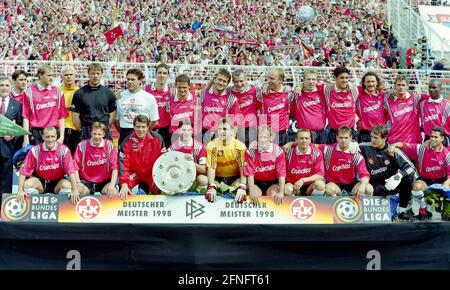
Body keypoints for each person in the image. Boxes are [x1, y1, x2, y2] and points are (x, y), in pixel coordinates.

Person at [389, 126, 449, 220]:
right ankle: (423, 209)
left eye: (436, 137)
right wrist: (393, 146)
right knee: (416, 187)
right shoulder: (421, 148)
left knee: (448, 188)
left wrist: (445, 188)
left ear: (442, 138)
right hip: (425, 181)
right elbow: (403, 145)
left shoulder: (447, 154)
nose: (432, 139)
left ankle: (445, 210)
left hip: (440, 182)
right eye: (431, 136)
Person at [359, 125, 416, 220]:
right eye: (371, 137)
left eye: (376, 138)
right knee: (376, 190)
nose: (372, 140)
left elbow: (411, 167)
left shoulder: (393, 151)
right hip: (376, 184)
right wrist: (352, 144)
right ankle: (379, 213)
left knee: (408, 178)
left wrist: (398, 176)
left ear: (384, 138)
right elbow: (350, 144)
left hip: (392, 182)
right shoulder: (365, 147)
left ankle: (402, 211)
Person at [16, 126, 79, 205]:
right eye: (47, 137)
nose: (50, 139)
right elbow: (23, 171)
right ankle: (34, 208)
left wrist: (75, 190)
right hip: (41, 182)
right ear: (43, 137)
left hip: (57, 182)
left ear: (56, 136)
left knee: (67, 186)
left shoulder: (64, 150)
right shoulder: (35, 150)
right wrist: (20, 191)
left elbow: (71, 171)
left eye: (52, 136)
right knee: (27, 185)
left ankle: (62, 209)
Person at [119, 115, 165, 199]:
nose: (140, 130)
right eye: (138, 127)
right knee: (124, 190)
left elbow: (163, 160)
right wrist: (124, 184)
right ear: (134, 127)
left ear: (148, 127)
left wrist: (161, 177)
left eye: (143, 127)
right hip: (135, 174)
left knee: (163, 188)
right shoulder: (127, 141)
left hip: (152, 174)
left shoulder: (158, 139)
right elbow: (123, 164)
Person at [22, 64, 67, 146]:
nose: (51, 78)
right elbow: (26, 117)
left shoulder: (58, 92)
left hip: (53, 132)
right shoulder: (29, 92)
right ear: (40, 75)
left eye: (52, 75)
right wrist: (25, 139)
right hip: (36, 133)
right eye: (48, 75)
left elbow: (61, 116)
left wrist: (62, 137)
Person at [205, 118, 247, 203]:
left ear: (232, 131)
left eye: (225, 129)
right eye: (219, 129)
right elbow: (212, 168)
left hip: (234, 177)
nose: (222, 131)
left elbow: (243, 169)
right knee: (212, 187)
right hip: (218, 178)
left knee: (237, 186)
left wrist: (242, 186)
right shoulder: (211, 145)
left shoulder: (240, 146)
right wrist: (212, 185)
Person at [321, 126, 371, 196]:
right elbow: (310, 145)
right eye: (341, 137)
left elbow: (364, 174)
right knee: (329, 189)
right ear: (336, 137)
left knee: (368, 188)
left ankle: (357, 205)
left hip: (351, 185)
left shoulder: (356, 154)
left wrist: (362, 186)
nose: (343, 140)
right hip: (334, 184)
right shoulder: (328, 149)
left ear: (351, 138)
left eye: (346, 138)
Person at [72, 63, 116, 140]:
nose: (95, 76)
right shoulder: (79, 93)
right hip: (86, 129)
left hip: (103, 129)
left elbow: (112, 114)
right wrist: (82, 130)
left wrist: (104, 128)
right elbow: (75, 116)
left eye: (98, 73)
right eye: (93, 73)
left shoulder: (109, 93)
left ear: (101, 74)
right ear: (88, 74)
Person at [115, 68, 159, 147]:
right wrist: (124, 131)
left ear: (140, 81)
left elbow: (155, 121)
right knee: (123, 159)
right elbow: (116, 120)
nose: (130, 82)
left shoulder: (149, 97)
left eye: (133, 79)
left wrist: (143, 131)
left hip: (143, 134)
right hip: (125, 133)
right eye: (128, 79)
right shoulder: (120, 96)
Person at [244, 125, 286, 205]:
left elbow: (282, 174)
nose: (263, 140)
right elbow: (250, 174)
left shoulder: (278, 151)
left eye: (265, 137)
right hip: (257, 182)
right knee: (255, 196)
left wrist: (281, 192)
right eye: (260, 137)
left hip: (272, 182)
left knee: (275, 196)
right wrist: (252, 191)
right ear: (257, 138)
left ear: (271, 138)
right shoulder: (250, 151)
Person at [74, 122, 118, 196]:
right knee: (79, 191)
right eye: (94, 133)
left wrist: (112, 185)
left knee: (113, 193)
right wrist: (78, 183)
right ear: (91, 133)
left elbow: (115, 168)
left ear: (103, 135)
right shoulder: (82, 145)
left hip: (104, 181)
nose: (96, 136)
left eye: (99, 134)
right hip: (86, 180)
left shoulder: (109, 145)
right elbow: (75, 167)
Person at [200, 69, 239, 143]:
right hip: (203, 133)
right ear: (214, 80)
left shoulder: (232, 99)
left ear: (227, 84)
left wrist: (232, 141)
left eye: (224, 81)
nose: (221, 83)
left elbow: (235, 122)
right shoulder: (203, 94)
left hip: (221, 134)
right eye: (219, 79)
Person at [284, 128, 326, 197]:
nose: (304, 141)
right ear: (296, 139)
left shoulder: (317, 153)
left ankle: (315, 203)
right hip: (293, 185)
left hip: (310, 186)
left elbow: (320, 176)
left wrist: (303, 180)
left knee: (320, 185)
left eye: (306, 138)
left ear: (310, 140)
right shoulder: (288, 152)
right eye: (301, 138)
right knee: (287, 189)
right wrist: (289, 144)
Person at [168, 120, 208, 191]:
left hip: (195, 177)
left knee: (203, 179)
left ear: (192, 131)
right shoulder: (173, 147)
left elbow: (204, 170)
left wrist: (192, 163)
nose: (186, 133)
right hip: (179, 176)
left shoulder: (199, 147)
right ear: (179, 131)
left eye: (189, 130)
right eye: (184, 130)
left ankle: (200, 197)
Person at [323, 66, 359, 144]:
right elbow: (309, 85)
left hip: (350, 132)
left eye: (347, 78)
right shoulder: (327, 90)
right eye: (342, 78)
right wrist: (300, 85)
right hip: (334, 133)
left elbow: (375, 87)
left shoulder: (354, 90)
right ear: (335, 78)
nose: (345, 80)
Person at [291, 69, 327, 144]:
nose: (311, 81)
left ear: (317, 81)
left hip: (321, 133)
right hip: (304, 135)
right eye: (308, 79)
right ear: (303, 80)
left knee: (321, 155)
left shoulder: (322, 92)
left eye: (313, 79)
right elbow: (292, 111)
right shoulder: (297, 94)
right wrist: (298, 86)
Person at [258, 68, 292, 145]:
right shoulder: (261, 94)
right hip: (267, 135)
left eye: (272, 78)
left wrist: (299, 86)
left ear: (280, 80)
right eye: (268, 78)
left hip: (283, 134)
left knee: (282, 156)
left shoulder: (289, 94)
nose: (268, 81)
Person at [384, 75, 423, 144]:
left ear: (407, 86)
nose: (401, 87)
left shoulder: (415, 98)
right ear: (395, 86)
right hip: (395, 142)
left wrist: (419, 91)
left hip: (413, 143)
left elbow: (432, 98)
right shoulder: (388, 103)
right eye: (398, 85)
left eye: (403, 85)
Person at [0, 76, 22, 193]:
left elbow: (20, 125)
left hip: (8, 148)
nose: (4, 88)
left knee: (6, 178)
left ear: (11, 88)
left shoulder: (17, 105)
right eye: (2, 85)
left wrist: (14, 135)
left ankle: (3, 205)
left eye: (6, 85)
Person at [144, 63, 172, 147]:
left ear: (168, 76)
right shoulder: (146, 89)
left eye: (164, 73)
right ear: (155, 74)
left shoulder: (172, 91)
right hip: (150, 128)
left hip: (166, 130)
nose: (162, 75)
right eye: (159, 72)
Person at [231, 69, 259, 147]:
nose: (239, 84)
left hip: (251, 128)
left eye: (241, 81)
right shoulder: (230, 91)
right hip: (237, 129)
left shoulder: (255, 90)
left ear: (245, 79)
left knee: (251, 153)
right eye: (236, 82)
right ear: (233, 81)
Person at [355, 71, 386, 142]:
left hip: (380, 133)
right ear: (364, 83)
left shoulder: (383, 95)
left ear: (377, 82)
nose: (371, 84)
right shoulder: (358, 95)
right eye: (368, 81)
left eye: (373, 81)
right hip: (364, 133)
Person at [167, 74, 200, 140]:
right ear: (176, 86)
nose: (182, 90)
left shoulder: (196, 100)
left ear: (189, 86)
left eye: (184, 87)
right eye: (179, 87)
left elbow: (198, 119)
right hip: (175, 136)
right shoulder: (169, 102)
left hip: (191, 136)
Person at [419, 79, 450, 145]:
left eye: (434, 87)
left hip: (443, 140)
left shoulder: (447, 105)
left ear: (441, 88)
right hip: (427, 139)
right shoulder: (422, 103)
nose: (431, 89)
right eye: (429, 87)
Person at [60, 65, 80, 154]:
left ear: (75, 75)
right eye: (66, 75)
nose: (69, 76)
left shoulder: (80, 91)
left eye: (71, 74)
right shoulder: (57, 91)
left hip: (76, 129)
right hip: (61, 129)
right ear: (61, 77)